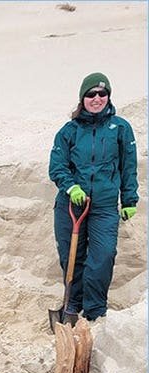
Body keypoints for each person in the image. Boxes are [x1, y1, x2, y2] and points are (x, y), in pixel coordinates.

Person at [48, 71, 139, 321]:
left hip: (104, 207)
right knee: (72, 257)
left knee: (103, 256)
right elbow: (57, 166)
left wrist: (129, 200)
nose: (97, 98)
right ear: (82, 98)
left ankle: (95, 311)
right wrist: (71, 187)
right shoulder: (69, 131)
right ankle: (71, 306)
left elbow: (128, 166)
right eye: (91, 94)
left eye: (102, 93)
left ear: (108, 96)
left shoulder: (120, 128)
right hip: (71, 205)